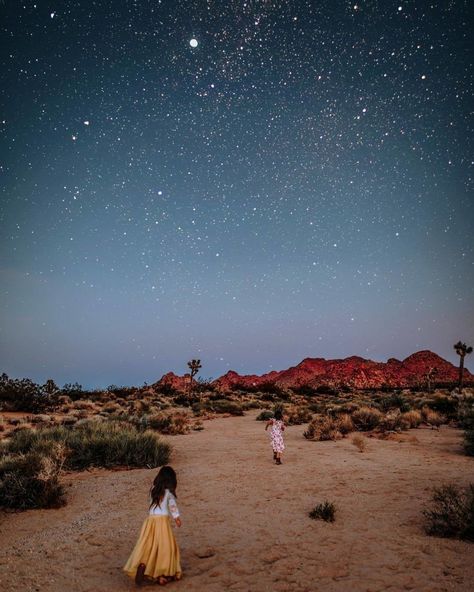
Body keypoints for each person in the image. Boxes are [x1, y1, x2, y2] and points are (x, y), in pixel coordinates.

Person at [124, 466, 182, 586]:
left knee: (148, 546)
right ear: (171, 480)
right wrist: (177, 518)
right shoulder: (168, 494)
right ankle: (161, 575)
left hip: (150, 522)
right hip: (162, 524)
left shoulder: (153, 490)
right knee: (164, 548)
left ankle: (143, 565)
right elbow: (172, 507)